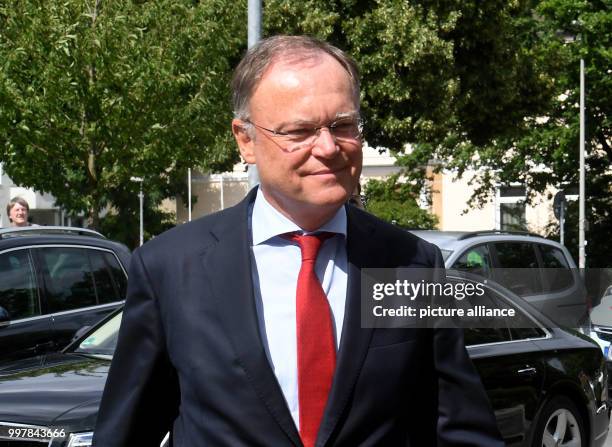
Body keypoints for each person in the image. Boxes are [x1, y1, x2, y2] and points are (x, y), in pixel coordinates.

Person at [94, 35, 503, 447]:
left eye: (343, 125)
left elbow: (462, 432)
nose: (327, 148)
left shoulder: (412, 263)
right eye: (300, 131)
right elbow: (127, 432)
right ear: (246, 140)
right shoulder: (170, 268)